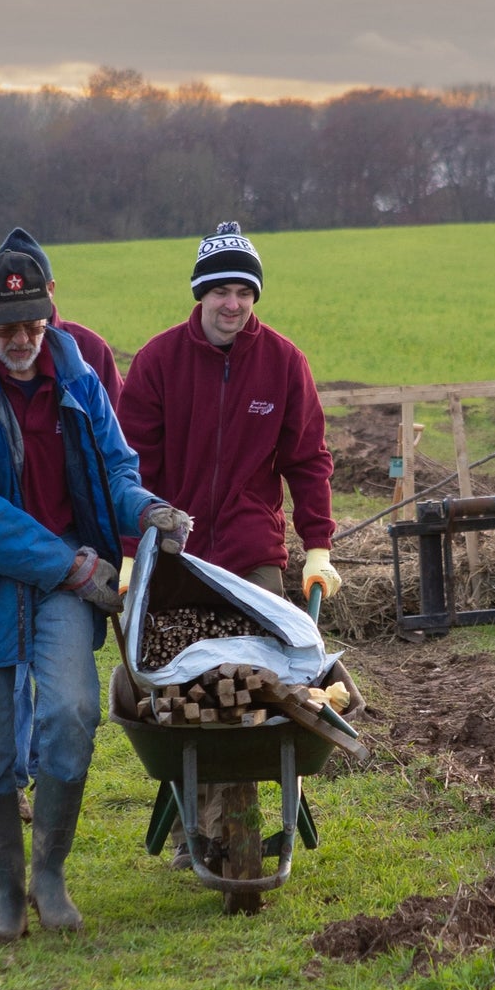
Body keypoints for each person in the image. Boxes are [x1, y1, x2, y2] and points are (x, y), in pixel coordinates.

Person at [0, 249, 189, 940]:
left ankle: (50, 876)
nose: (21, 338)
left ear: (48, 312)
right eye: (6, 325)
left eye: (32, 321)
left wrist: (145, 507)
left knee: (70, 713)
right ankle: (6, 897)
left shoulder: (79, 379)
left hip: (66, 580)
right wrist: (70, 568)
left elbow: (115, 465)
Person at [116, 221, 341, 868]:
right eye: (220, 290)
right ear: (200, 294)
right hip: (176, 555)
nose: (233, 304)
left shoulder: (283, 363)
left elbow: (309, 461)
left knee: (262, 676)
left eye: (244, 291)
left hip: (250, 555)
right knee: (181, 683)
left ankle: (219, 822)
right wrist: (136, 550)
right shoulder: (159, 362)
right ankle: (200, 824)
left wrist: (318, 545)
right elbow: (132, 467)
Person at [0, 227, 125, 812]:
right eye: (7, 321)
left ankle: (46, 773)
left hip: (71, 540)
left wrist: (122, 542)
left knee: (63, 675)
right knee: (11, 666)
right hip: (0, 549)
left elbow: (114, 451)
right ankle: (10, 774)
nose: (21, 335)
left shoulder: (88, 353)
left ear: (51, 290)